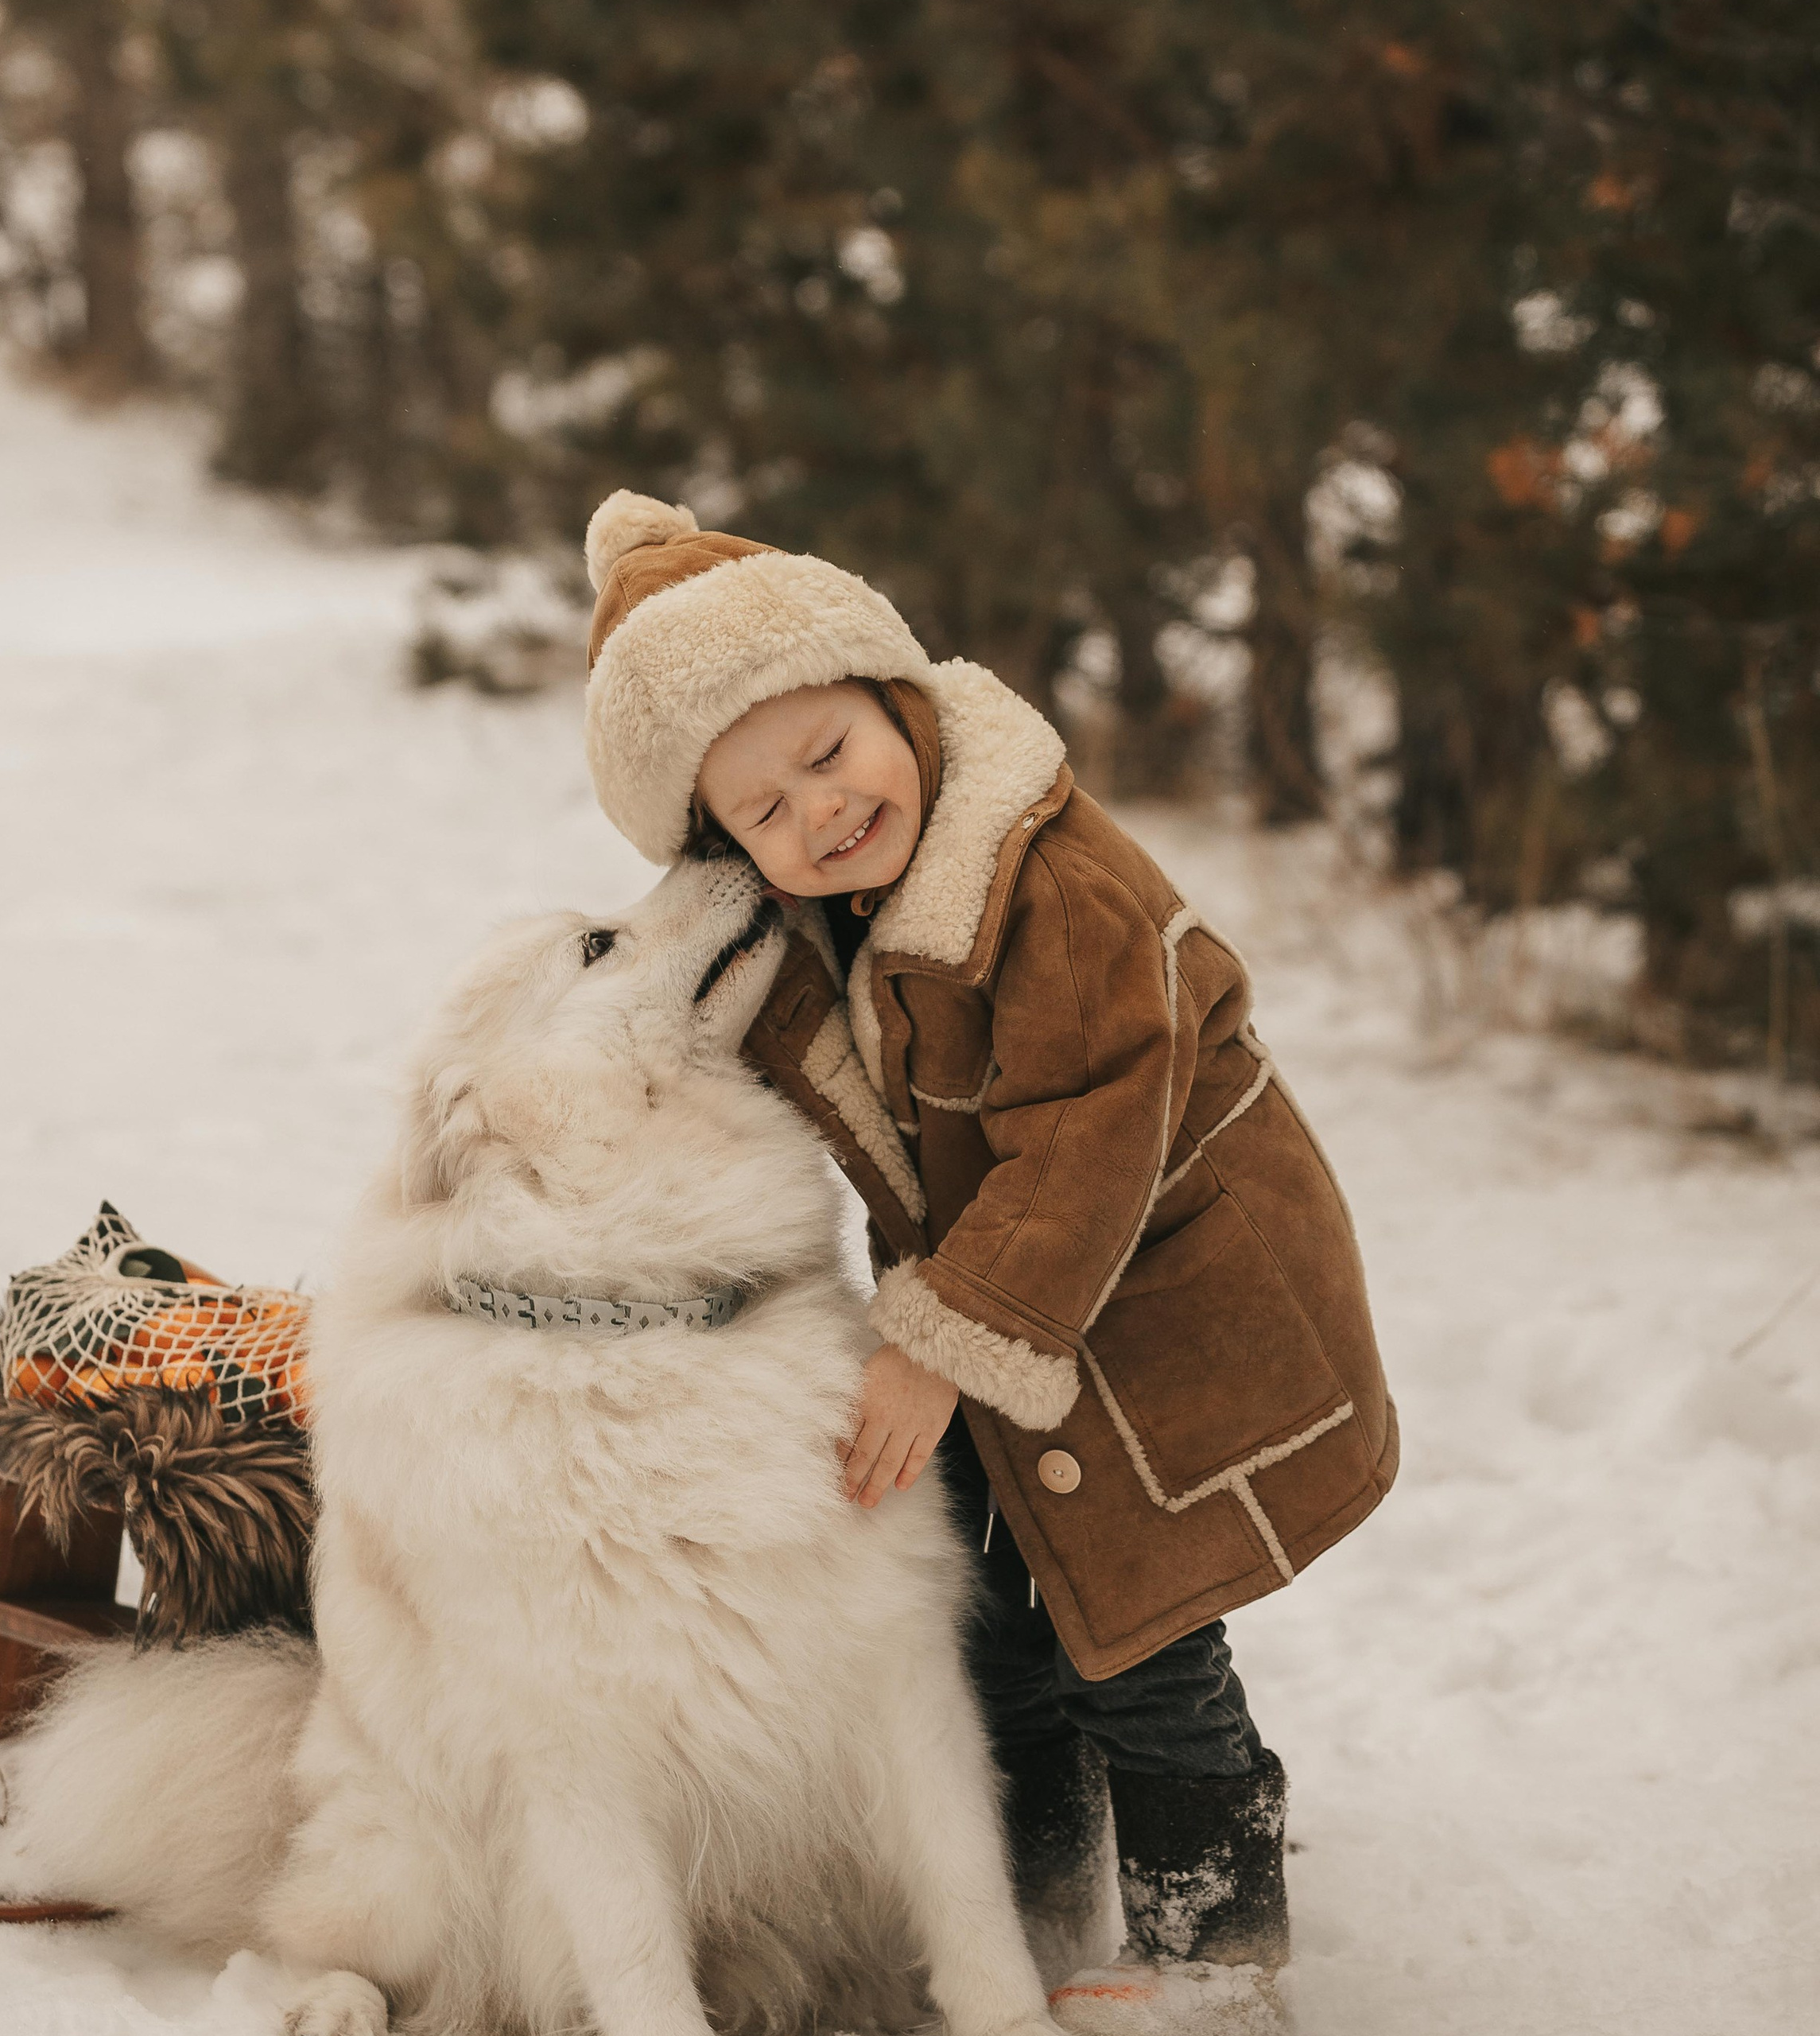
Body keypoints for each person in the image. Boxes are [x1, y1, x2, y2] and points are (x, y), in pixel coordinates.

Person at [577, 490, 1399, 2025]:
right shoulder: (816, 918)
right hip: (1005, 1309)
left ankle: (1218, 1957)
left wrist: (938, 1342)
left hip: (1161, 1307)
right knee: (995, 1629)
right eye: (763, 811)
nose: (820, 811)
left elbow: (1089, 1134)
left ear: (894, 691)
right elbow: (710, 1020)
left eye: (830, 751)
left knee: (1139, 1641)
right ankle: (1037, 1913)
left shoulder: (1048, 883)